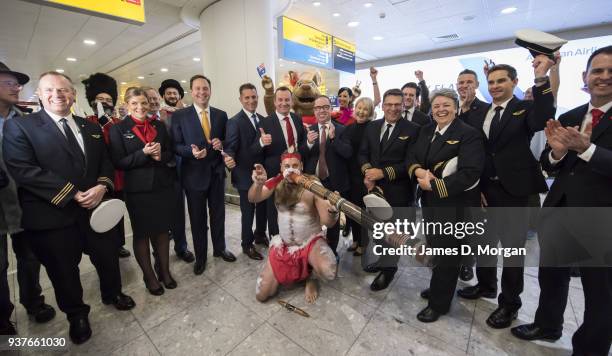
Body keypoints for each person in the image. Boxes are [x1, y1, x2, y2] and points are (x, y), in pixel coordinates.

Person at [3, 71, 135, 344]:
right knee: (64, 270)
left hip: (96, 210)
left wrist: (101, 186)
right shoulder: (22, 127)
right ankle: (77, 314)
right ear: (39, 95)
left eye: (64, 90)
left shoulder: (91, 128)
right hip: (52, 215)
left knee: (108, 256)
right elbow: (23, 170)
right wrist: (73, 194)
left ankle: (112, 293)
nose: (58, 95)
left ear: (73, 95)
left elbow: (105, 164)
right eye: (50, 90)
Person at [511, 45, 612, 356]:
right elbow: (549, 162)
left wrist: (588, 149)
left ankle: (588, 349)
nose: (604, 77)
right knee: (552, 277)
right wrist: (555, 152)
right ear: (585, 76)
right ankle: (548, 324)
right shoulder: (570, 116)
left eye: (611, 72)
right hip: (559, 212)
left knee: (601, 295)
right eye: (597, 70)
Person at [456, 56, 556, 329]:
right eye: (491, 81)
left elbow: (545, 116)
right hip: (485, 190)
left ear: (514, 82)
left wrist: (542, 79)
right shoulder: (482, 111)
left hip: (515, 191)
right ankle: (486, 285)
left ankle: (509, 304)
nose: (496, 85)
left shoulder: (524, 109)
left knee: (512, 252)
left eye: (502, 81)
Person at [406, 88, 484, 322]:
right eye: (436, 106)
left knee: (449, 253)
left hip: (454, 204)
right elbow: (412, 157)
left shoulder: (469, 134)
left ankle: (439, 304)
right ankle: (439, 285)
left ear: (456, 107)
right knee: (436, 247)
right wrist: (419, 171)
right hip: (429, 202)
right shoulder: (427, 130)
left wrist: (435, 185)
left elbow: (470, 173)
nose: (441, 109)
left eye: (446, 105)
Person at [0, 63, 57, 335]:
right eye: (9, 82)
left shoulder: (25, 119)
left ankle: (33, 302)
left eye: (17, 83)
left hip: (23, 202)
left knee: (29, 257)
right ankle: (2, 317)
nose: (17, 87)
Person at [109, 87, 177, 295]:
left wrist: (159, 157)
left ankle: (164, 271)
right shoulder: (118, 129)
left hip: (162, 187)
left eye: (144, 103)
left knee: (163, 231)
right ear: (127, 106)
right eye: (135, 104)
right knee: (142, 234)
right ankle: (149, 277)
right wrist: (143, 153)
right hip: (138, 190)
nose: (140, 107)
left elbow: (170, 153)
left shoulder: (159, 125)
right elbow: (118, 162)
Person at [249, 152, 338, 303]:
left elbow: (327, 222)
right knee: (261, 294)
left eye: (295, 165)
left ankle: (312, 278)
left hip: (310, 243)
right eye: (287, 166)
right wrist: (257, 184)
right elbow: (253, 198)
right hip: (284, 245)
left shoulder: (313, 184)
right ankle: (289, 272)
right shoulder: (275, 181)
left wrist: (333, 212)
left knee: (329, 270)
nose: (291, 169)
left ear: (301, 166)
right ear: (281, 167)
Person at [171, 75, 236, 275]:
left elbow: (227, 141)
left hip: (216, 174)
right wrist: (191, 152)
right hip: (193, 176)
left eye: (205, 88)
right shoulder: (180, 116)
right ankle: (201, 257)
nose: (201, 92)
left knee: (218, 215)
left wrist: (221, 144)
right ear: (191, 91)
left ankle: (220, 248)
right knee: (198, 219)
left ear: (210, 90)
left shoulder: (220, 115)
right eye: (197, 89)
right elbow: (176, 145)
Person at [358, 88, 421, 291]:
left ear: (403, 106)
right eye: (389, 104)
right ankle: (383, 261)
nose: (393, 109)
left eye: (397, 105)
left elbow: (412, 163)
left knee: (394, 235)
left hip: (399, 192)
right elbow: (363, 154)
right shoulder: (372, 127)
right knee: (377, 232)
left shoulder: (413, 129)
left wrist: (383, 173)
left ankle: (388, 270)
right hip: (373, 191)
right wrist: (368, 173)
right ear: (383, 106)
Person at [82, 72, 131, 258]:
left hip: (118, 176)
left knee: (117, 211)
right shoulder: (87, 122)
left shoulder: (118, 123)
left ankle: (119, 244)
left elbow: (120, 146)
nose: (103, 102)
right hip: (97, 178)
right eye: (99, 99)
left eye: (108, 99)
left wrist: (108, 124)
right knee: (99, 212)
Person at [144, 86, 195, 263]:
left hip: (174, 171)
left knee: (178, 212)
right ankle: (158, 252)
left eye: (155, 98)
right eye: (148, 99)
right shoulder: (139, 123)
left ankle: (181, 247)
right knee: (157, 216)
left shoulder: (169, 116)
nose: (153, 101)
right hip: (153, 176)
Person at [224, 83, 269, 259]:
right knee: (248, 212)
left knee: (263, 208)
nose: (251, 100)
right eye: (247, 97)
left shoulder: (263, 119)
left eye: (254, 97)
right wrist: (228, 157)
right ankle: (246, 244)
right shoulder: (234, 122)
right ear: (241, 99)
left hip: (263, 174)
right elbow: (231, 148)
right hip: (244, 175)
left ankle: (259, 234)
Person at [304, 95, 352, 256]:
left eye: (325, 107)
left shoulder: (342, 129)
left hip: (335, 183)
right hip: (313, 182)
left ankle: (331, 252)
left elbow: (348, 153)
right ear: (314, 111)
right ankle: (312, 251)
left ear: (331, 109)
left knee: (333, 219)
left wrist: (334, 139)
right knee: (313, 218)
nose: (322, 111)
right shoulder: (308, 129)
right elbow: (301, 155)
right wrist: (309, 144)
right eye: (318, 108)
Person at [259, 86, 308, 238]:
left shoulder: (297, 119)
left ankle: (294, 237)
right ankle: (276, 240)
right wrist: (261, 142)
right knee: (274, 211)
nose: (284, 103)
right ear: (274, 102)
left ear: (292, 101)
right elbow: (257, 151)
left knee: (294, 208)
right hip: (275, 174)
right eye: (280, 100)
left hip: (296, 176)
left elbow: (301, 146)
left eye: (287, 99)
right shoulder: (265, 123)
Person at [344, 97, 376, 256]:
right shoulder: (349, 127)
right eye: (359, 107)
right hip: (349, 175)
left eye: (365, 109)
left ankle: (363, 243)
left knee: (362, 212)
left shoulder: (373, 128)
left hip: (364, 176)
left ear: (370, 112)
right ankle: (356, 240)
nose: (361, 111)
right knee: (351, 211)